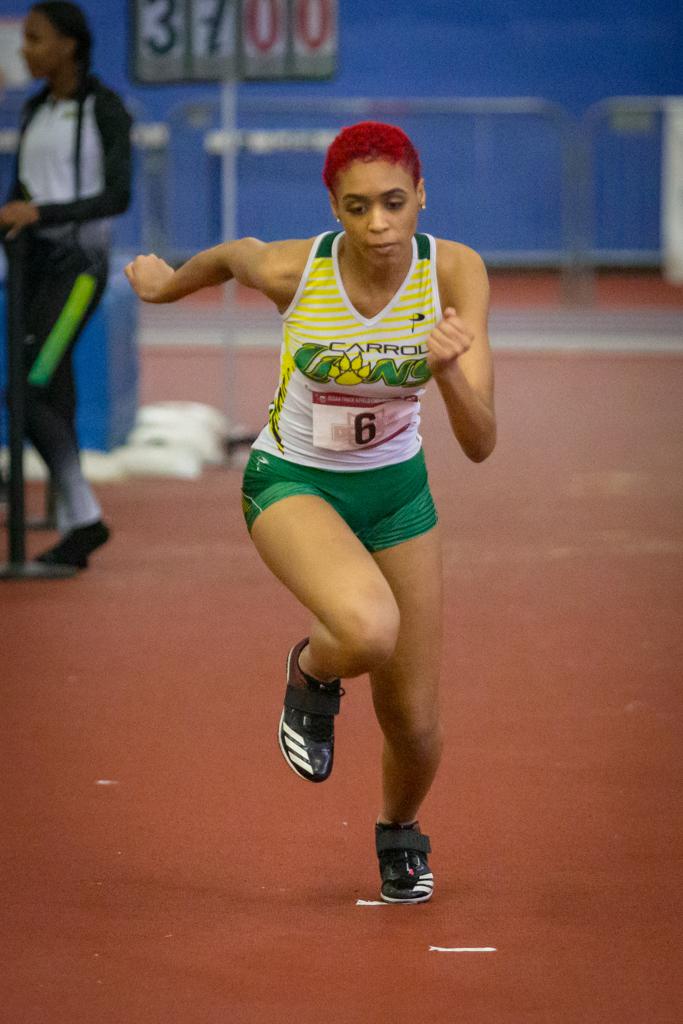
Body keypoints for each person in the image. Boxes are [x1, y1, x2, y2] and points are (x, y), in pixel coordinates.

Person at [124, 121, 496, 903]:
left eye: (395, 203)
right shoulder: (297, 270)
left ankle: (399, 831)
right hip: (293, 481)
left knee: (416, 722)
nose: (379, 226)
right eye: (357, 208)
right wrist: (166, 286)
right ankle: (310, 674)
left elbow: (481, 443)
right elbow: (234, 254)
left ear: (422, 194)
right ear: (333, 206)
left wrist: (450, 375)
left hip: (397, 493)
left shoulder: (455, 273)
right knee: (365, 627)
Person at [0, 1, 132, 568]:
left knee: (28, 390)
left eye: (34, 38)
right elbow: (19, 195)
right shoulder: (33, 111)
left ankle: (84, 517)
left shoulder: (103, 109)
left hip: (79, 271)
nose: (23, 49)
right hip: (32, 268)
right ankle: (75, 526)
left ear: (69, 46)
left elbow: (116, 197)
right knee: (51, 394)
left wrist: (42, 215)